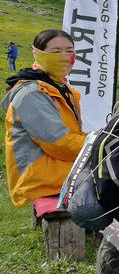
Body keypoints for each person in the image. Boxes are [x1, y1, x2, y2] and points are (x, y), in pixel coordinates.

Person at [3, 29, 86, 207]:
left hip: (61, 173)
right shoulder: (32, 94)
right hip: (43, 181)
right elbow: (59, 143)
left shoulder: (60, 89)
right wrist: (100, 145)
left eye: (69, 51)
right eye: (55, 51)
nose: (64, 56)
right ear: (38, 53)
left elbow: (72, 134)